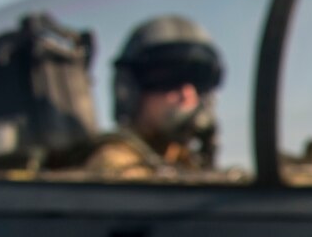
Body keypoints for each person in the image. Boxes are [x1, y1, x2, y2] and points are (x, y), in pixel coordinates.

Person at [83, 15, 224, 179]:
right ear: (130, 90)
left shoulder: (183, 161)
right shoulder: (117, 166)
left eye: (199, 80)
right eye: (171, 79)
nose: (187, 94)